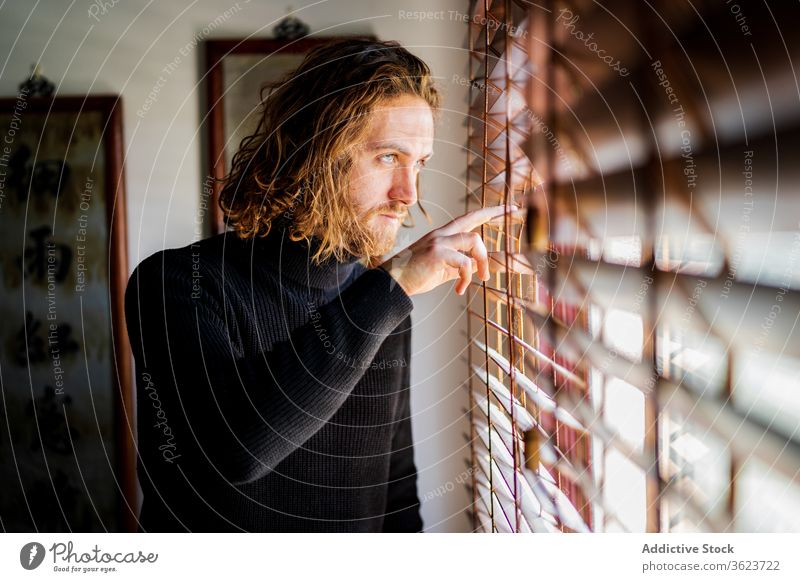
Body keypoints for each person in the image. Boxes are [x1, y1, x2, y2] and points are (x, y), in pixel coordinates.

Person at [125, 38, 509, 532]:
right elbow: (235, 452)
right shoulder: (177, 285)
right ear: (316, 153)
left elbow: (394, 492)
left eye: (420, 163)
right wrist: (387, 291)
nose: (408, 194)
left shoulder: (381, 304)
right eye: (389, 157)